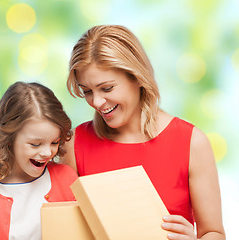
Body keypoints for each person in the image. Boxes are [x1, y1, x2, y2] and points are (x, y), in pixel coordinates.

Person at [62, 25, 225, 239]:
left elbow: (214, 233)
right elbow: (61, 228)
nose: (97, 102)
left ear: (137, 77)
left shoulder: (191, 143)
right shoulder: (74, 145)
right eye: (87, 91)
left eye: (107, 88)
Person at [0, 81, 78, 240]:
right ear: (9, 137)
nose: (47, 152)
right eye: (35, 144)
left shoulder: (67, 179)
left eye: (54, 142)